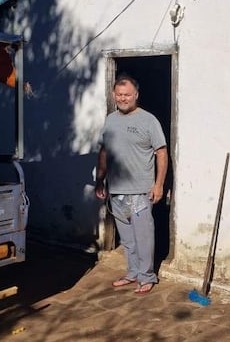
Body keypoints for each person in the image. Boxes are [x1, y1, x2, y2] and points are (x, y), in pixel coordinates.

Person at [95, 74, 168, 294]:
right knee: (127, 238)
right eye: (119, 94)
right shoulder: (110, 120)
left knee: (143, 236)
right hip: (116, 190)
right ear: (113, 95)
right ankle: (133, 273)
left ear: (136, 95)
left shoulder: (148, 120)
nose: (123, 98)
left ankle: (147, 276)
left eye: (127, 94)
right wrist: (100, 180)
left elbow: (161, 153)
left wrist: (159, 185)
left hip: (140, 191)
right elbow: (104, 152)